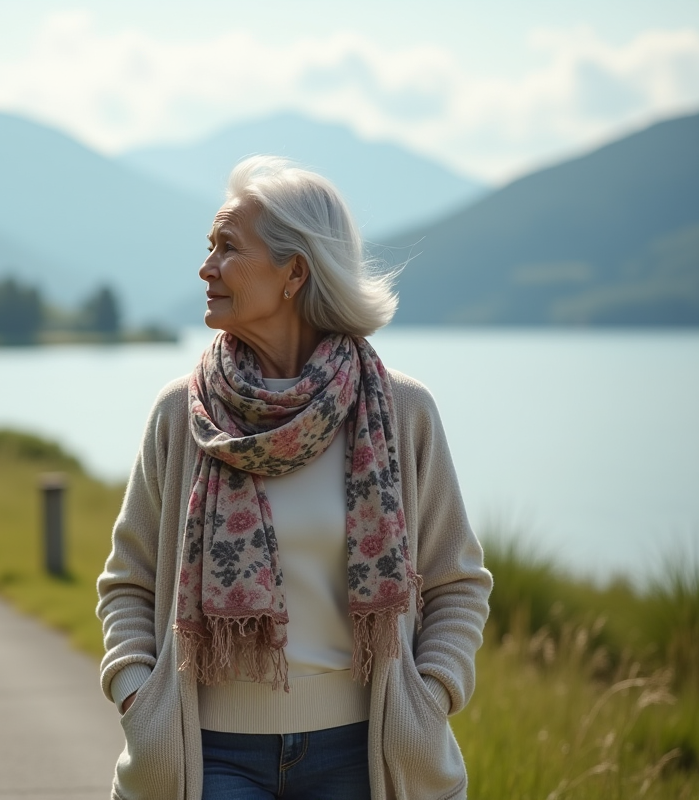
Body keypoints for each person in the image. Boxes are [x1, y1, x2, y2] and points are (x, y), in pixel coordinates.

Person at [96, 156, 492, 800]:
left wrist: (433, 696)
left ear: (294, 272)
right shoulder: (183, 415)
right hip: (208, 757)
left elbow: (457, 581)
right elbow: (128, 582)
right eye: (209, 247)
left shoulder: (399, 411)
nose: (206, 267)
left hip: (362, 754)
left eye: (227, 247)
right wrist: (137, 694)